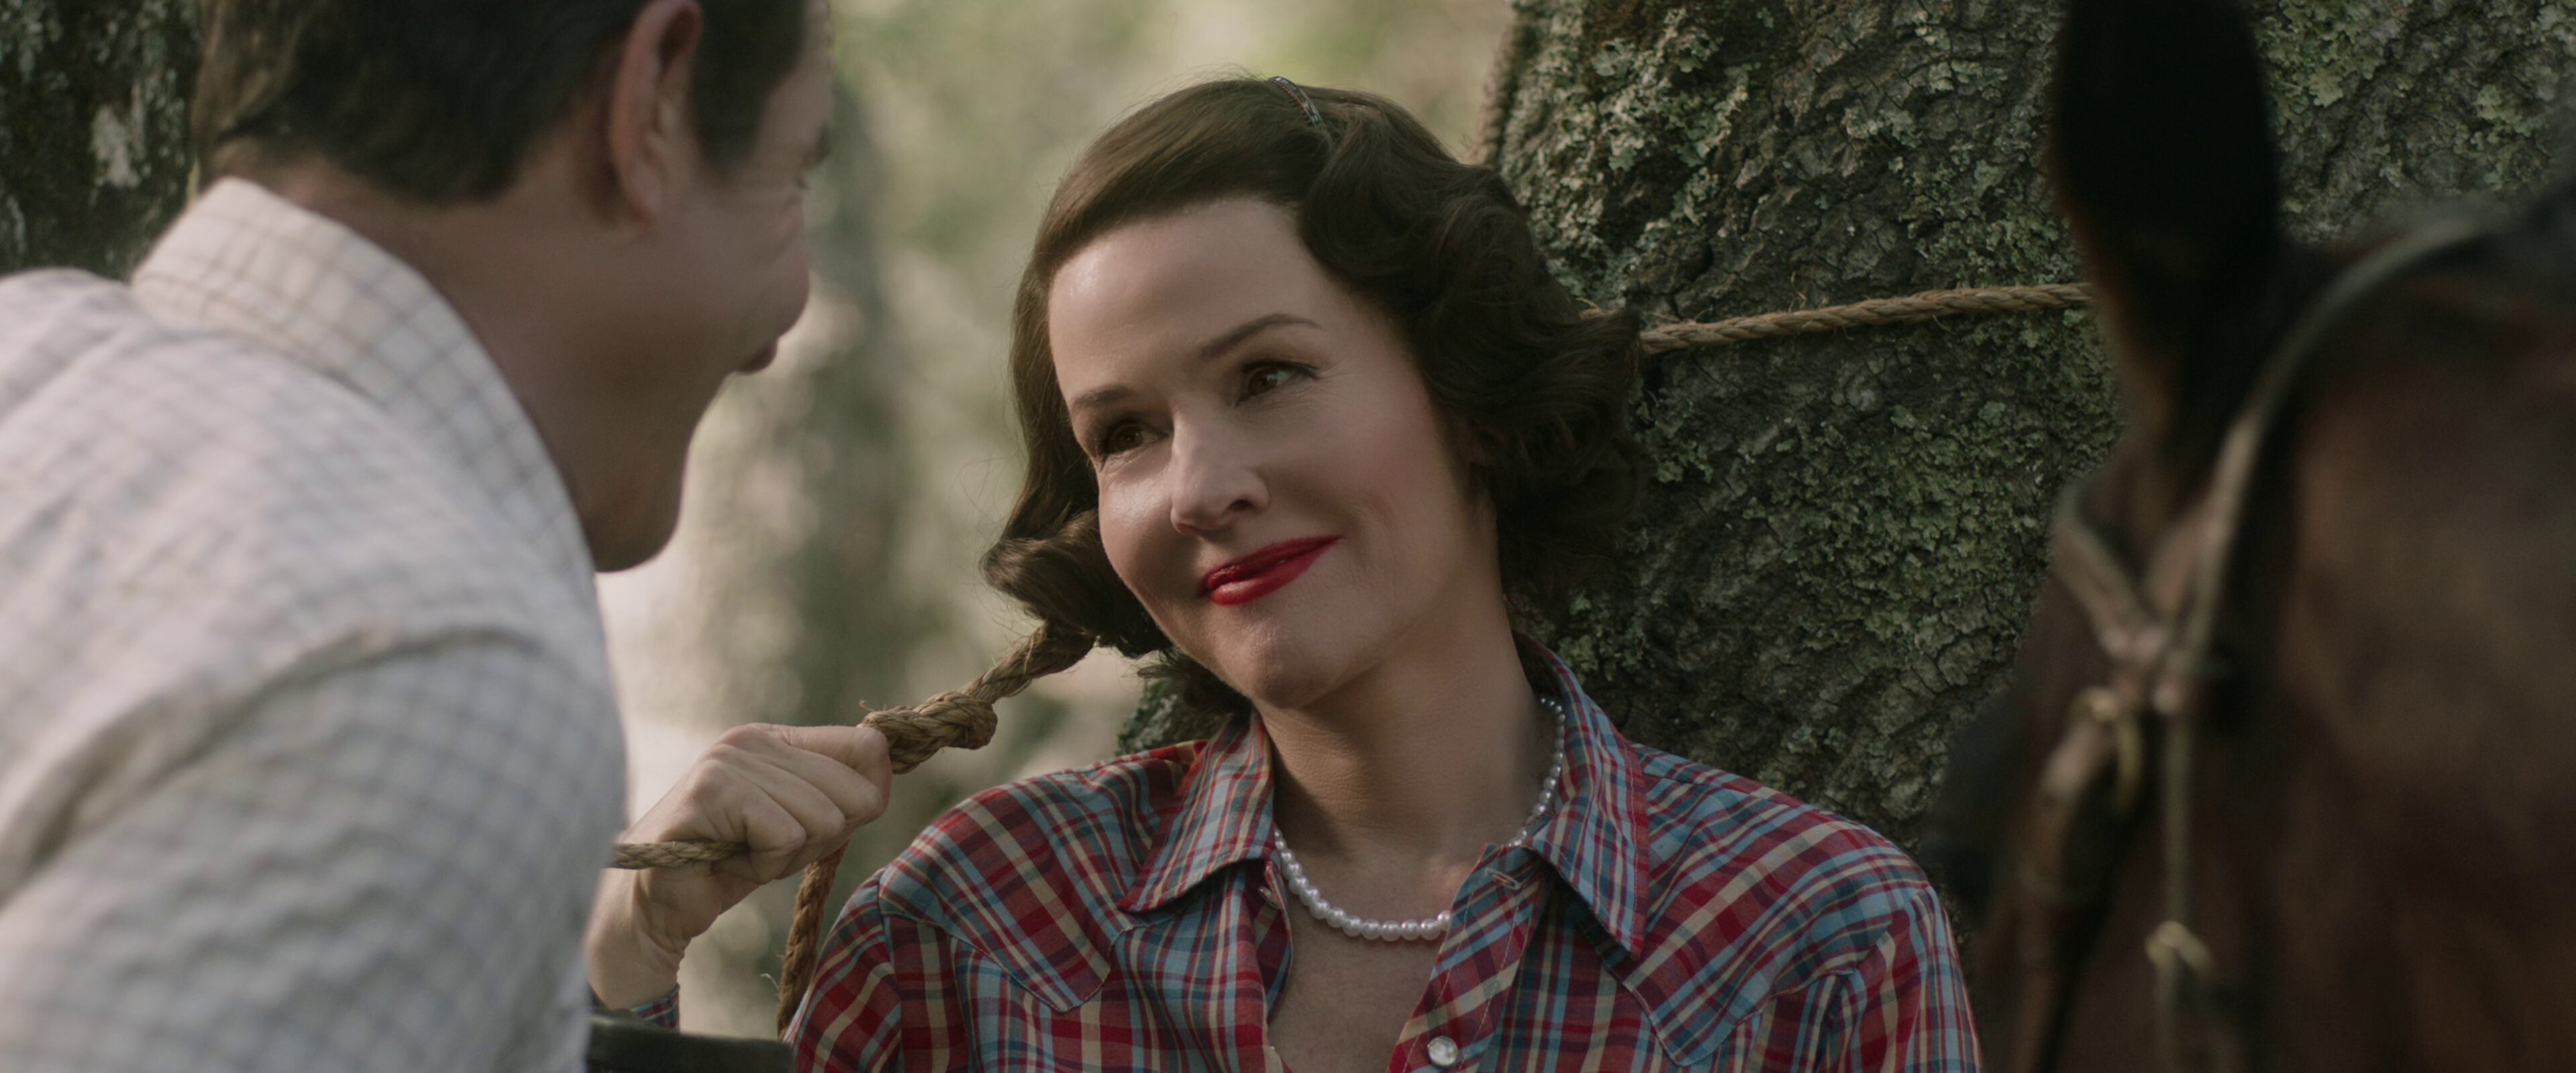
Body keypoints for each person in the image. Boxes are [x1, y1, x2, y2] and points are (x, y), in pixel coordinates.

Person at [605, 77, 1980, 1070]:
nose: (1199, 488)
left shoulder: (1816, 941)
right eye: (1125, 435)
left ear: (1466, 394)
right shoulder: (979, 924)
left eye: (1269, 376)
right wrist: (621, 957)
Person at [0, 1, 896, 1070]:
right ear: (651, 103)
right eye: (789, 181)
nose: (787, 311)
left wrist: (604, 960)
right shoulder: (427, 662)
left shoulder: (29, 362)